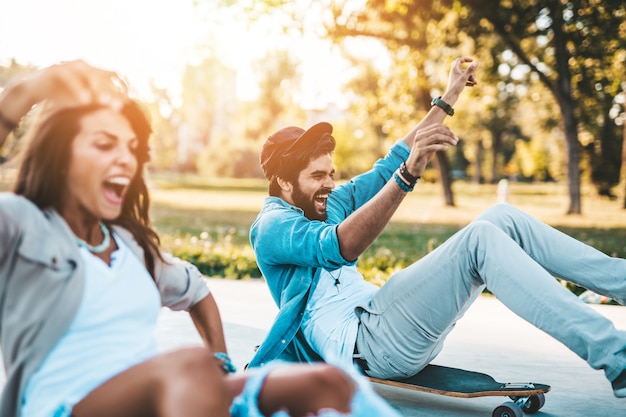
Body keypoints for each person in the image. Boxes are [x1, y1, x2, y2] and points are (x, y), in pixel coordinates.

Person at [0, 61, 403, 417]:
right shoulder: (24, 225)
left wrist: (220, 358)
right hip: (62, 405)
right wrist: (26, 93)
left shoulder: (129, 246)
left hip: (155, 395)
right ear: (61, 156)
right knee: (189, 367)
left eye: (130, 146)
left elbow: (195, 290)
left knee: (329, 385)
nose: (124, 157)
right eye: (104, 144)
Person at [247, 56, 626, 399]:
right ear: (283, 182)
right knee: (480, 240)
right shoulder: (274, 227)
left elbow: (390, 161)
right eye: (317, 176)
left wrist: (449, 96)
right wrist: (408, 175)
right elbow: (340, 247)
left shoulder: (330, 202)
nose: (330, 184)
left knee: (501, 217)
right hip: (369, 345)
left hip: (384, 318)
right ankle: (616, 356)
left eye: (331, 173)